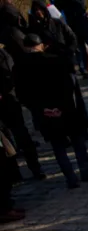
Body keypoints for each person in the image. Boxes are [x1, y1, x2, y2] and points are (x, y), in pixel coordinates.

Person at [15, 34, 88, 189]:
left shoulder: (19, 67)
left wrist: (41, 109)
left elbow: (22, 95)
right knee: (77, 141)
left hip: (44, 113)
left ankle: (70, 178)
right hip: (66, 109)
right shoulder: (55, 60)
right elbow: (68, 87)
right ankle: (85, 170)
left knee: (58, 146)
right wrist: (61, 106)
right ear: (41, 45)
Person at [0, 46, 42, 180]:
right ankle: (15, 172)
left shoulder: (4, 54)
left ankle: (33, 168)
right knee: (9, 137)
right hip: (8, 100)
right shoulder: (4, 53)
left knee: (19, 135)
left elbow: (11, 76)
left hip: (8, 100)